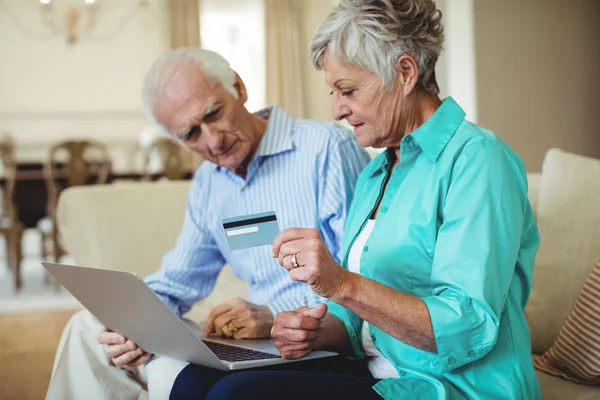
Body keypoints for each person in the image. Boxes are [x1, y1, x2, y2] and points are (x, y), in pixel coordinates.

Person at [172, 1, 543, 399]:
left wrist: (341, 283)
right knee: (194, 379)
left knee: (236, 396)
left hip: (455, 387)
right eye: (333, 92)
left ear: (405, 72)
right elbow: (356, 328)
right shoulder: (376, 172)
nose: (336, 109)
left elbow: (466, 324)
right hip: (377, 372)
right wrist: (309, 331)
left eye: (347, 90)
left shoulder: (478, 159)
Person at [46, 48, 370, 400]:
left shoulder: (326, 148)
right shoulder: (209, 184)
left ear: (238, 88)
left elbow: (362, 277)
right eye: (191, 134)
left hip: (321, 343)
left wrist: (276, 316)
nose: (213, 141)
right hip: (257, 344)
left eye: (214, 113)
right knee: (87, 327)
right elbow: (177, 280)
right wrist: (132, 326)